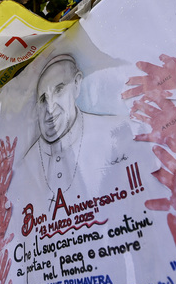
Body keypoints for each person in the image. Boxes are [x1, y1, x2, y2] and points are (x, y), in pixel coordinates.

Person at [18, 54, 137, 210]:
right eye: (43, 100)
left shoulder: (118, 133)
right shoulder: (26, 164)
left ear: (77, 83)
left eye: (59, 90)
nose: (50, 107)